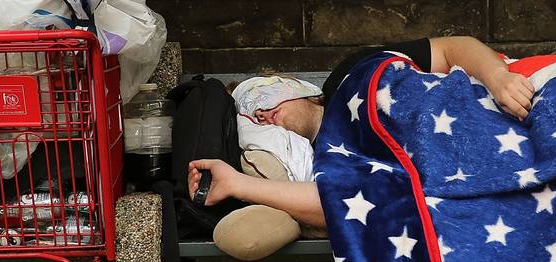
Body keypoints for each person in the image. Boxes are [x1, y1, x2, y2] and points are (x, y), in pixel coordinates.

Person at [188, 36, 536, 233]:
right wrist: (236, 183)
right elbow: (340, 203)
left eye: (261, 96)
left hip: (505, 114)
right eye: (252, 117)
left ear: (300, 88)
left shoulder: (351, 71)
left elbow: (452, 48)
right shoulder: (327, 160)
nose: (261, 112)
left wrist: (497, 77)